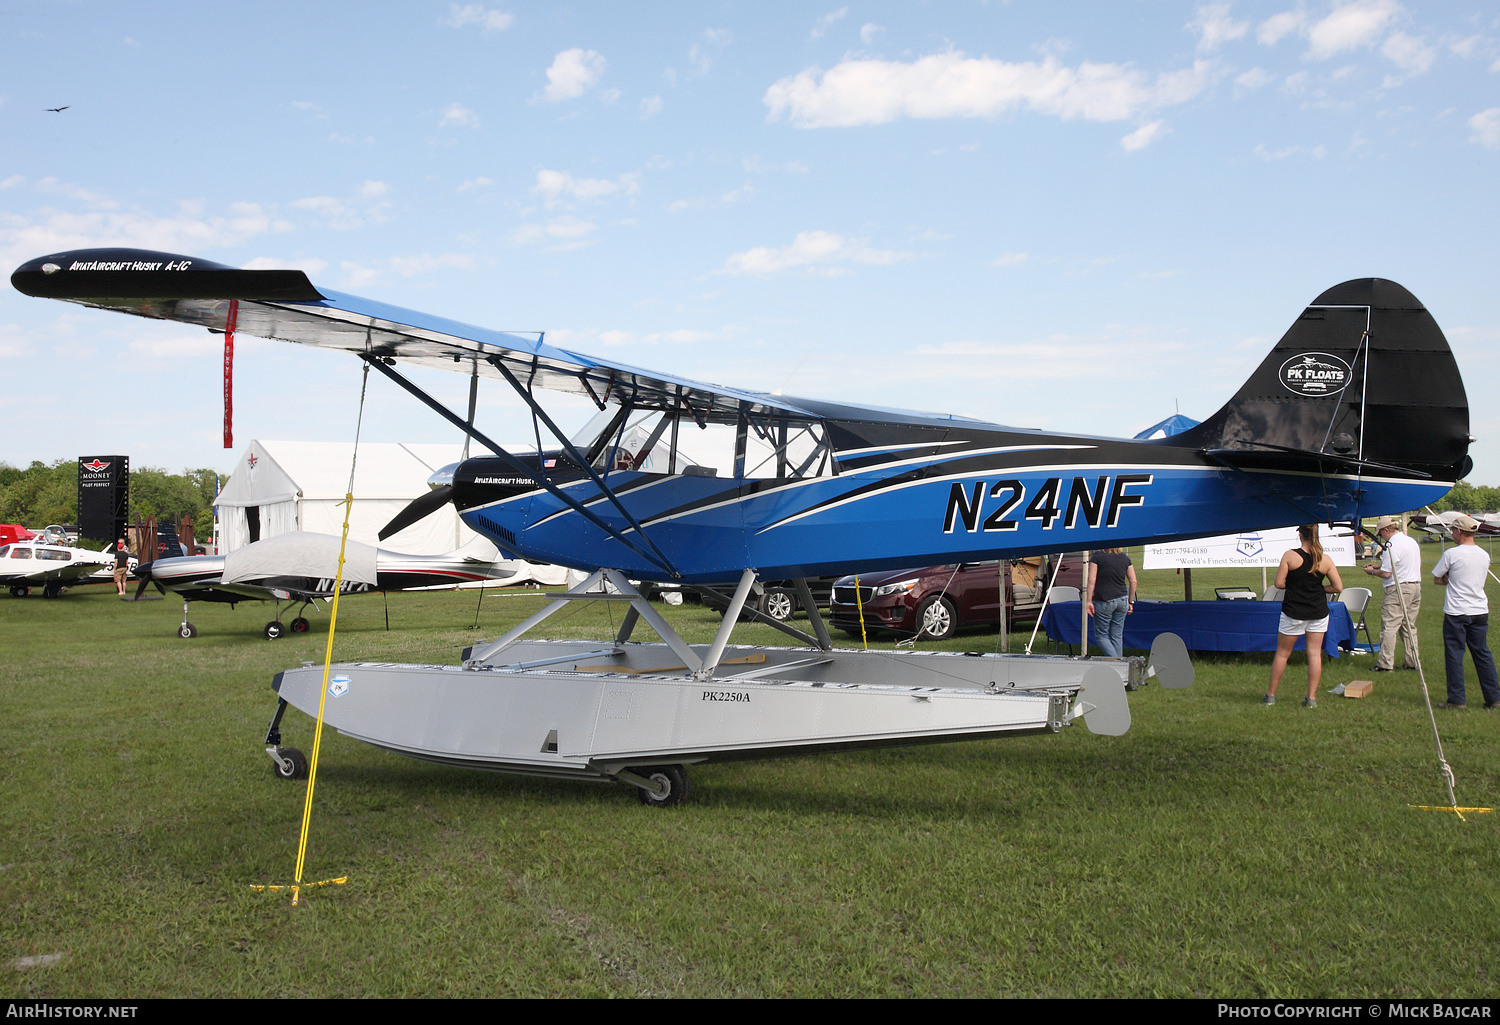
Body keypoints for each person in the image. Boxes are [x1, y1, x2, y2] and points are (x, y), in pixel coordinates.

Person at [1265, 524, 1344, 708]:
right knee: (1315, 655)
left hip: (1294, 611)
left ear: (1300, 535)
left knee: (1283, 654)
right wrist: (1318, 588)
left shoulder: (1290, 556)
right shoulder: (1324, 559)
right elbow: (1338, 587)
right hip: (1318, 612)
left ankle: (1270, 695)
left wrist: (1296, 586)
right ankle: (1311, 698)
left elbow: (1278, 583)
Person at [1431, 514, 1499, 709]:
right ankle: (1494, 697)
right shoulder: (1484, 554)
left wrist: (1448, 579)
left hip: (1457, 611)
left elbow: (1437, 578)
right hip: (1479, 610)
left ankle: (1457, 699)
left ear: (1459, 531)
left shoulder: (1452, 554)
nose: (1452, 533)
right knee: (1482, 654)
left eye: (1453, 530)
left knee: (1454, 655)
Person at [1363, 515, 1421, 671]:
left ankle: (1385, 664)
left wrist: (1372, 572)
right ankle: (1412, 662)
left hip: (1398, 589)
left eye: (1381, 534)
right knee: (1409, 627)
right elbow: (1398, 565)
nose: (1381, 537)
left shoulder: (1391, 546)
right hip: (1415, 587)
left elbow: (1387, 573)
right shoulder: (1410, 541)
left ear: (1386, 530)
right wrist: (1377, 566)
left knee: (1389, 626)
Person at [1086, 548, 1136, 657]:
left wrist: (1089, 600)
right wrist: (1130, 601)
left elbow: (1091, 580)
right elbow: (1133, 581)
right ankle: (1120, 665)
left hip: (1104, 600)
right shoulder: (1125, 557)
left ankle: (1116, 662)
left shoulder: (1097, 557)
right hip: (1122, 599)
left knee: (1101, 635)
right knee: (1117, 635)